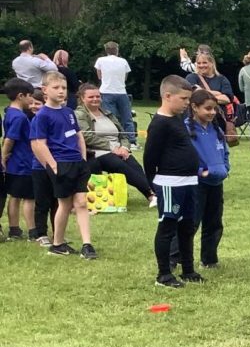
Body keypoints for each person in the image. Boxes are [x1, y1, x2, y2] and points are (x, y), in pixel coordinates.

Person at [143, 76, 203, 288]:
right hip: (170, 183)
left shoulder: (177, 118)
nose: (187, 103)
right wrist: (152, 186)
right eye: (183, 99)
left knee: (187, 227)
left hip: (188, 181)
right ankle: (164, 274)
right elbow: (150, 157)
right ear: (168, 96)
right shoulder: (159, 123)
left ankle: (188, 269)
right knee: (167, 227)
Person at [29, 71, 95, 259]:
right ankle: (57, 243)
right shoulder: (42, 115)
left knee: (81, 202)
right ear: (45, 90)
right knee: (64, 204)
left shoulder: (69, 112)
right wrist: (54, 166)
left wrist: (83, 159)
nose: (61, 91)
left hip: (77, 163)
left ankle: (87, 244)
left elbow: (78, 136)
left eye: (64, 88)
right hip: (61, 163)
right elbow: (40, 144)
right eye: (56, 87)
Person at [75, 83, 154, 206]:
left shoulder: (107, 113)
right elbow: (87, 137)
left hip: (118, 149)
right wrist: (112, 148)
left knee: (135, 166)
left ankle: (151, 195)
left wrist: (124, 147)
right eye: (91, 97)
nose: (95, 99)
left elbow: (123, 134)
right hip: (98, 151)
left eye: (98, 96)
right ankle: (151, 193)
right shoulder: (79, 115)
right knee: (120, 166)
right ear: (82, 98)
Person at [180, 88, 231, 269]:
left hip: (217, 182)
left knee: (214, 222)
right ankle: (176, 257)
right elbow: (182, 158)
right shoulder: (185, 129)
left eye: (214, 109)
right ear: (194, 107)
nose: (212, 112)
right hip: (197, 184)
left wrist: (225, 168)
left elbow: (225, 152)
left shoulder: (216, 129)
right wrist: (200, 171)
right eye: (208, 108)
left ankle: (209, 259)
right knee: (191, 222)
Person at [2, 79, 37, 239]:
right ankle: (32, 230)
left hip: (15, 164)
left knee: (14, 196)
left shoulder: (9, 112)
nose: (32, 99)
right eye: (30, 96)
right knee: (29, 197)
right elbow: (10, 139)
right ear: (20, 96)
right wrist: (3, 157)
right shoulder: (20, 117)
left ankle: (14, 229)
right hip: (23, 163)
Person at [92, 41, 138, 151]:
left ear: (106, 50)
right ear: (117, 50)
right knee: (127, 117)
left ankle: (114, 139)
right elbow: (125, 77)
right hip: (121, 91)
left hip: (106, 91)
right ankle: (131, 141)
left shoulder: (100, 60)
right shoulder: (123, 61)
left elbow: (99, 76)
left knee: (111, 118)